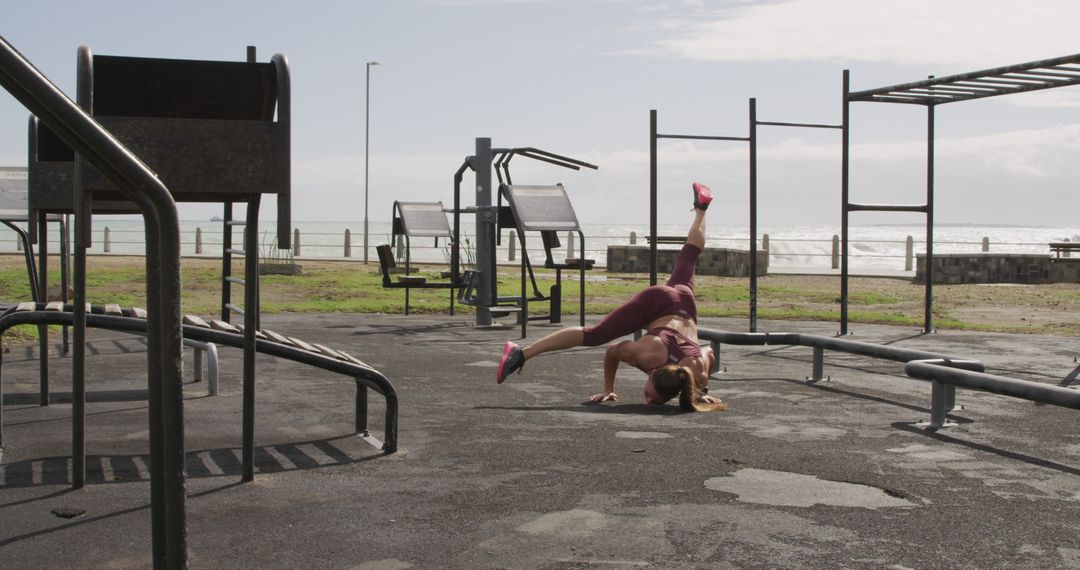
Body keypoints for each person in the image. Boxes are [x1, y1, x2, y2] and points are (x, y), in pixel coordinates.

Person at [496, 182, 727, 412]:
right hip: (657, 302)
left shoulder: (698, 373)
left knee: (689, 255)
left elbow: (709, 352)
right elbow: (612, 351)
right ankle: (520, 353)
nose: (647, 400)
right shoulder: (646, 356)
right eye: (650, 395)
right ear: (653, 372)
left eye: (652, 401)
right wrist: (608, 388)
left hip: (684, 301)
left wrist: (698, 391)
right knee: (595, 335)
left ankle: (701, 209)